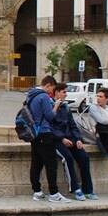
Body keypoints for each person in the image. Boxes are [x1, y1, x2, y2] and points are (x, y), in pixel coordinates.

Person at [53, 83, 96, 200]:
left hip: (70, 139)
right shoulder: (51, 106)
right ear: (56, 92)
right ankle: (75, 188)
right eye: (64, 92)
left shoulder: (66, 107)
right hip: (56, 141)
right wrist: (61, 138)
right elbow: (50, 125)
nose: (66, 94)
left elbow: (73, 125)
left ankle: (88, 189)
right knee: (68, 158)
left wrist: (77, 139)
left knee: (84, 157)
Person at [26, 75, 65, 203]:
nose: (51, 92)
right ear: (47, 85)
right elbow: (50, 116)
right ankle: (54, 193)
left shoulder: (31, 95)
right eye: (52, 89)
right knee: (51, 164)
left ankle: (37, 191)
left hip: (34, 134)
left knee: (36, 163)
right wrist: (56, 106)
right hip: (44, 133)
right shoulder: (43, 96)